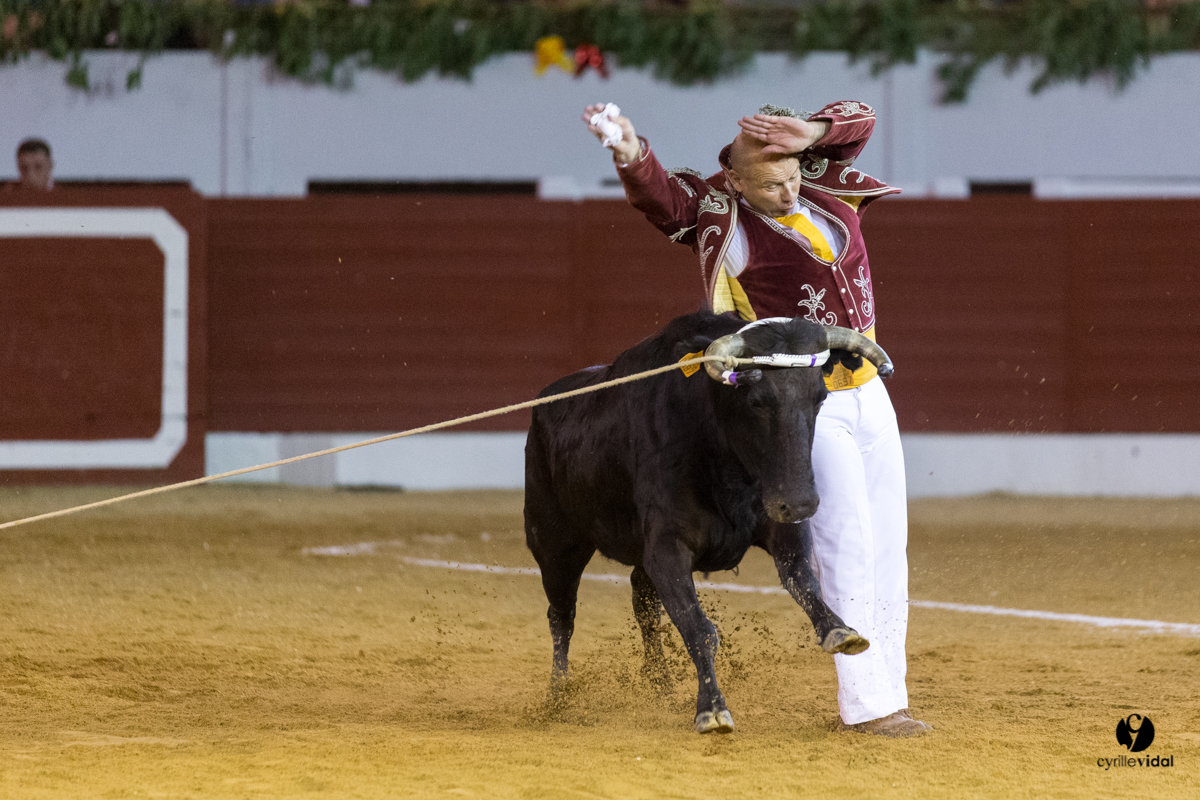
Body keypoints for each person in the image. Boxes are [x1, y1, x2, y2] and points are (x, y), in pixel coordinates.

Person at [583, 101, 929, 737]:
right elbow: (665, 200)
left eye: (794, 172)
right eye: (771, 181)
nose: (789, 187)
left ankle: (893, 693)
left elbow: (863, 116)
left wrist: (811, 134)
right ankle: (868, 708)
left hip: (868, 388)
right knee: (845, 542)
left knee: (889, 544)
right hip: (800, 404)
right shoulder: (726, 218)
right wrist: (630, 150)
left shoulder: (821, 186)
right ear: (736, 180)